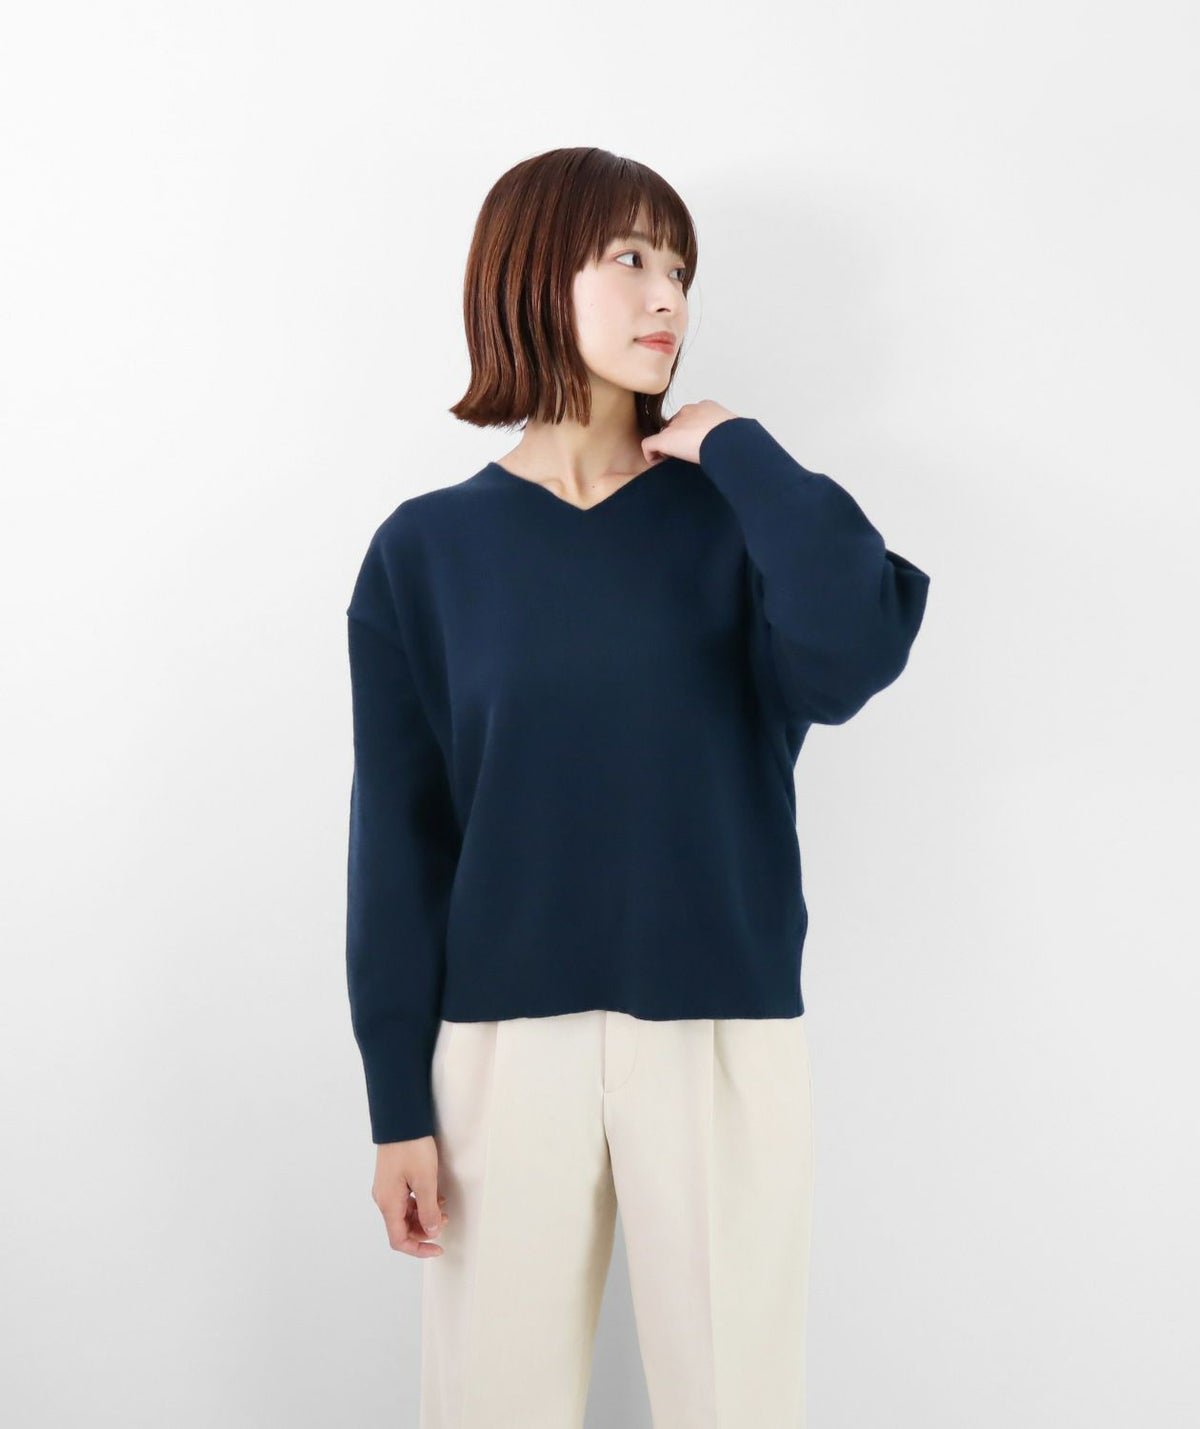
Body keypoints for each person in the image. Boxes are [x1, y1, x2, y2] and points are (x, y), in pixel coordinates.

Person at [344, 146, 931, 1427]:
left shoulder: (737, 517)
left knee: (738, 1402)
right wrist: (397, 1105)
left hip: (719, 1029)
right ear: (528, 274)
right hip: (500, 1045)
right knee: (492, 1406)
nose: (668, 293)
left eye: (680, 267)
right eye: (630, 258)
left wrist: (734, 445)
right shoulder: (425, 553)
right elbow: (398, 842)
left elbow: (854, 650)